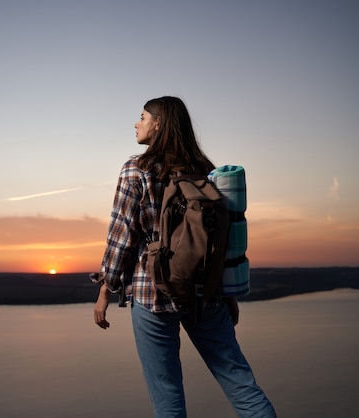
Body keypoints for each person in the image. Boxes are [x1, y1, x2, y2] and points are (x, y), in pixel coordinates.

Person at [92, 96, 277, 417]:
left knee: (168, 398)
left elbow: (121, 236)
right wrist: (226, 291)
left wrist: (106, 288)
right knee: (242, 385)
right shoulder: (206, 171)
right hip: (206, 293)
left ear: (159, 123)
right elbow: (224, 238)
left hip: (153, 293)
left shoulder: (137, 169)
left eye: (142, 117)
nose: (136, 123)